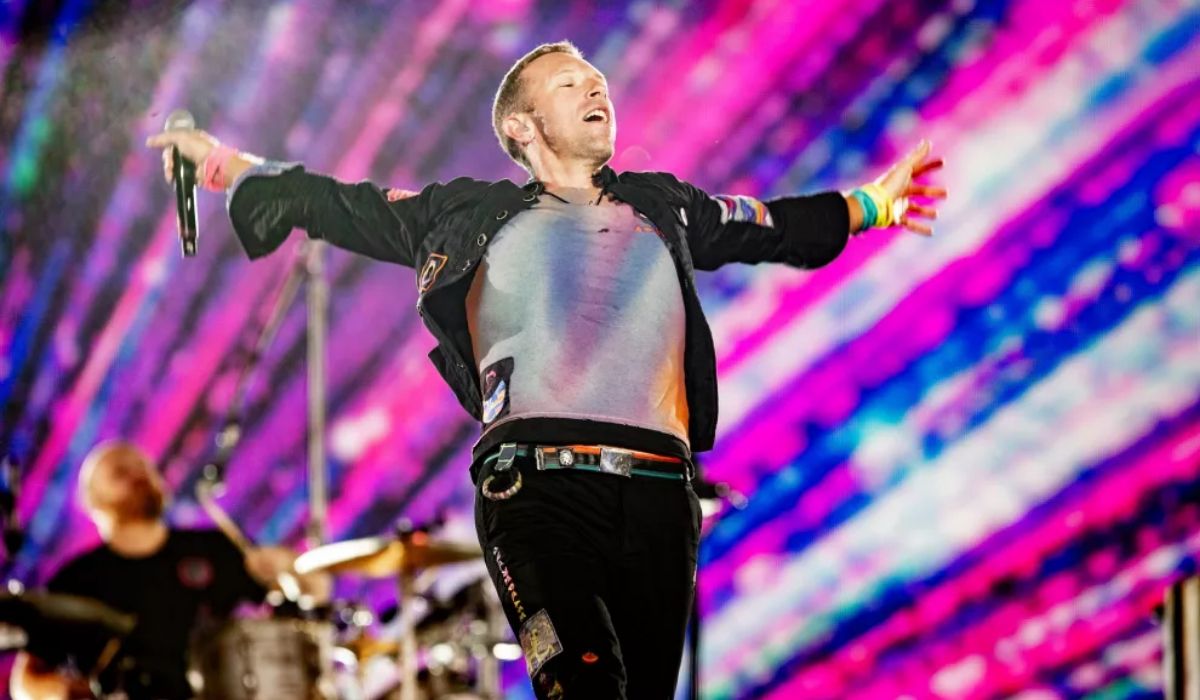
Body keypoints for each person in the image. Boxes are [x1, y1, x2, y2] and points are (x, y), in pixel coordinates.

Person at [146, 40, 945, 699]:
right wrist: (221, 162)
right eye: (571, 84)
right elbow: (336, 203)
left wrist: (872, 205)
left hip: (661, 495)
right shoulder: (465, 214)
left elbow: (767, 224)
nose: (597, 90)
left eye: (599, 83)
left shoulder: (663, 204)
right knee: (583, 685)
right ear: (522, 127)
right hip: (536, 490)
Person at [11, 440, 323, 700]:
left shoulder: (214, 546)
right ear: (93, 500)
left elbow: (317, 594)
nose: (137, 475)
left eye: (143, 467)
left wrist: (287, 568)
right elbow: (26, 679)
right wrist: (59, 691)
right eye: (121, 472)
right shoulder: (78, 578)